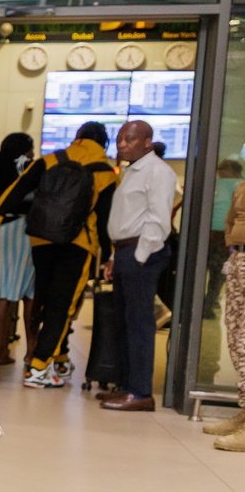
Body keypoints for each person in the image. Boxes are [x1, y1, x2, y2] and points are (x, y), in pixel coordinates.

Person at [0, 121, 118, 389]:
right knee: (64, 305)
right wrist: (108, 254)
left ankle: (59, 356)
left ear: (77, 137)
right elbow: (104, 219)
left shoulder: (52, 159)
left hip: (41, 238)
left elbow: (19, 187)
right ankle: (39, 365)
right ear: (103, 142)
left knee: (43, 298)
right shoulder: (106, 171)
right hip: (78, 242)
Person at [100, 120, 177, 412]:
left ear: (147, 142)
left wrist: (138, 256)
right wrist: (113, 257)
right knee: (124, 322)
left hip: (141, 254)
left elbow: (158, 221)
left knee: (140, 324)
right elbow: (125, 219)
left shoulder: (158, 172)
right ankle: (126, 385)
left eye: (129, 139)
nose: (122, 144)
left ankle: (141, 391)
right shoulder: (131, 171)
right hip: (125, 252)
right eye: (120, 138)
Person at [0, 133, 37, 366]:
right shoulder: (25, 166)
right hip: (21, 231)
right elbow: (30, 197)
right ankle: (30, 352)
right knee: (27, 292)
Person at [207, 169, 245, 448]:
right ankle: (243, 414)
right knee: (237, 339)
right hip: (239, 260)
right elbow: (231, 219)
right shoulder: (241, 187)